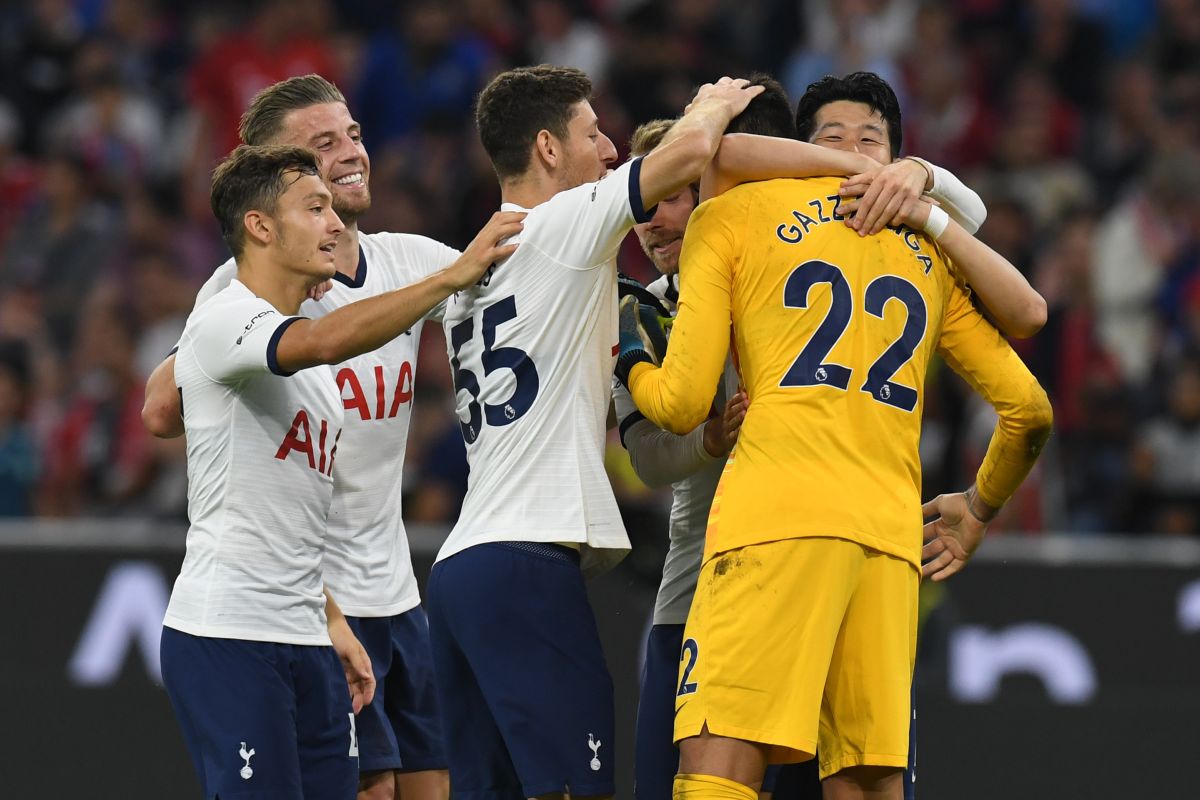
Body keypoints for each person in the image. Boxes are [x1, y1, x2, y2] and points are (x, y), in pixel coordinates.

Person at [615, 72, 1053, 800]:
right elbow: (1030, 409)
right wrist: (977, 508)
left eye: (866, 141)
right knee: (866, 780)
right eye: (836, 140)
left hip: (770, 523)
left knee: (716, 769)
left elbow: (681, 399)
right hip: (885, 542)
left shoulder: (732, 216)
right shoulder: (926, 252)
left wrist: (632, 359)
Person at [421, 65, 761, 800]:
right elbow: (683, 156)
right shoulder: (562, 227)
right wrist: (713, 103)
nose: (609, 151)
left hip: (461, 568)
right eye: (592, 133)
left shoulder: (478, 266)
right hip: (523, 562)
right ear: (547, 148)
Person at [144, 74, 484, 800]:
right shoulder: (238, 303)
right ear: (269, 190)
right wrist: (213, 379)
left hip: (368, 599)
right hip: (265, 607)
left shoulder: (395, 265)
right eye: (321, 147)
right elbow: (160, 409)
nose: (351, 154)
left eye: (354, 135)